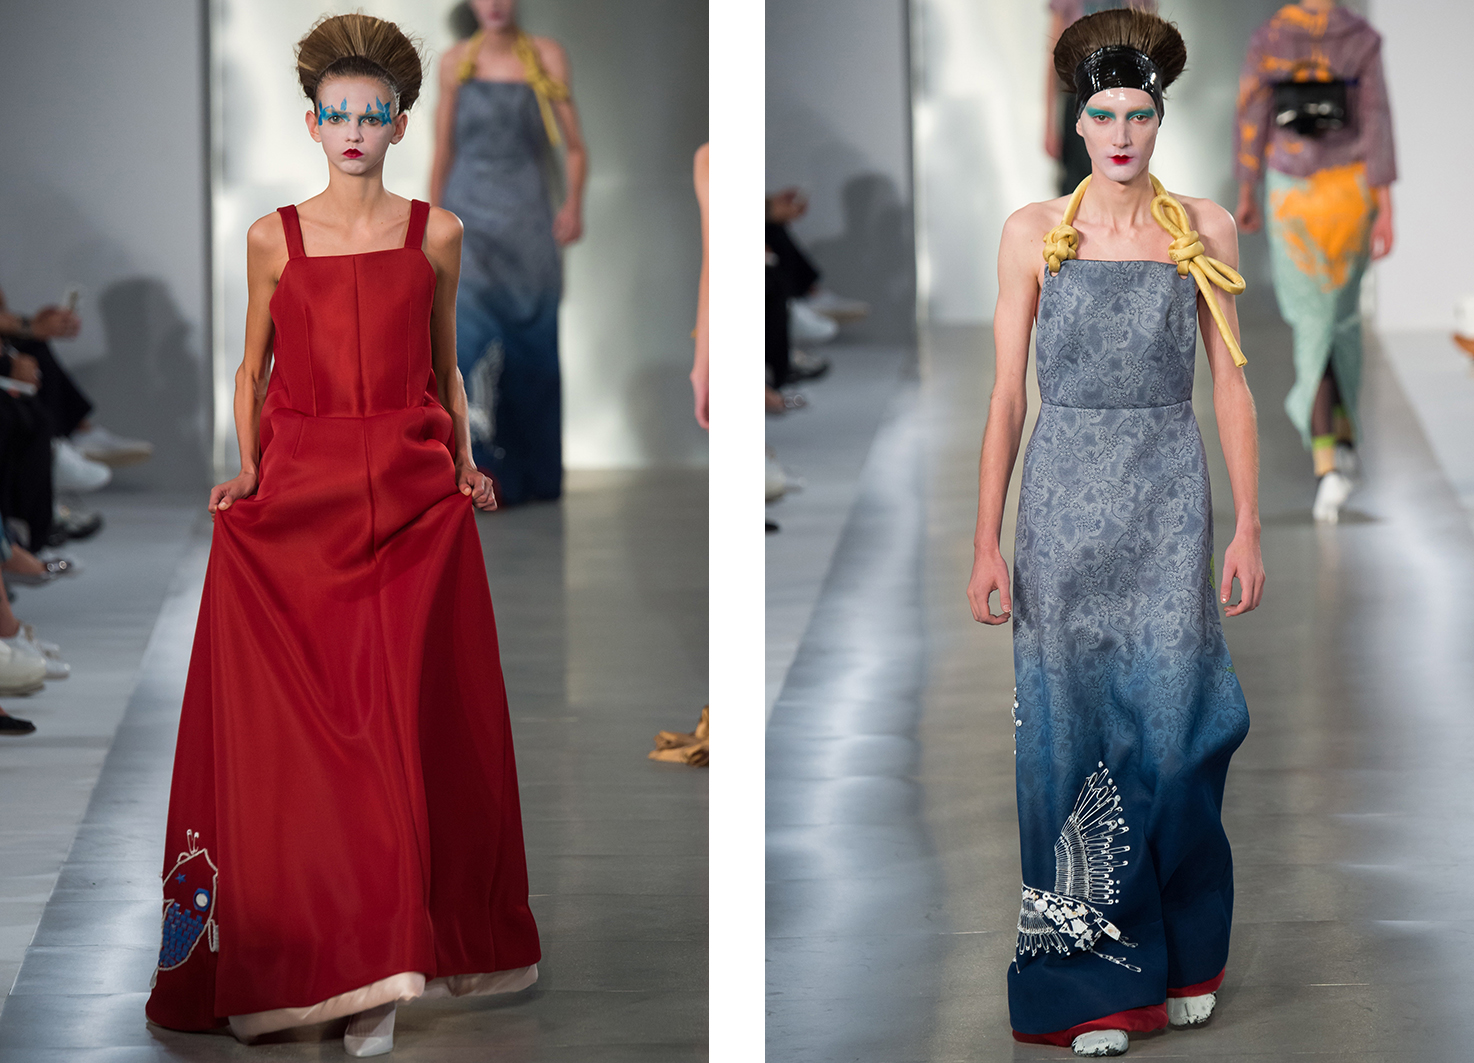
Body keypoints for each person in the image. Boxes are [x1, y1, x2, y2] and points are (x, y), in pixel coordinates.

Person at [144, 15, 540, 1056]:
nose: (355, 129)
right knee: (314, 748)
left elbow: (444, 367)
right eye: (337, 113)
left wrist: (463, 462)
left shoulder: (436, 233)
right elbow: (251, 368)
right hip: (302, 508)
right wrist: (249, 469)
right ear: (313, 123)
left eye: (374, 113)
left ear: (401, 124)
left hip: (413, 506)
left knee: (396, 733)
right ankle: (317, 957)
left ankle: (384, 970)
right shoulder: (272, 237)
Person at [967, 10, 1265, 1056]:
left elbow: (1231, 385)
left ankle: (1182, 951)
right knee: (1068, 737)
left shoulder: (1204, 229)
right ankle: (1087, 989)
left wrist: (1248, 524)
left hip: (1169, 497)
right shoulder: (1030, 232)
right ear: (1077, 121)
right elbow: (1006, 395)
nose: (1123, 133)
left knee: (1179, 734)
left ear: (1160, 116)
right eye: (1104, 114)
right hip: (1059, 506)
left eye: (1140, 113)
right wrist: (985, 537)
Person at [1233, 0, 1395, 523]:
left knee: (1313, 322)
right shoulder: (1360, 37)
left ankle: (1327, 462)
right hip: (1350, 192)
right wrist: (1386, 208)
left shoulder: (1271, 37)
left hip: (1293, 195)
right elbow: (1376, 120)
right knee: (1338, 321)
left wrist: (1247, 188)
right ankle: (1343, 442)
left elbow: (1252, 114)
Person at [429, 0, 586, 506]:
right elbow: (443, 148)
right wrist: (430, 220)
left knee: (532, 345)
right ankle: (471, 474)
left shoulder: (547, 55)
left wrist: (573, 205)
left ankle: (534, 477)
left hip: (527, 220)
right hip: (468, 223)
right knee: (464, 344)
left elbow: (575, 146)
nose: (494, 4)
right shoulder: (455, 62)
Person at [1045, 0, 1158, 196]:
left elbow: (1149, 55)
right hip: (1079, 102)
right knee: (1077, 185)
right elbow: (1054, 60)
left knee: (1125, 183)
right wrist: (1049, 125)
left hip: (1126, 100)